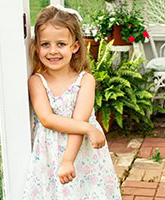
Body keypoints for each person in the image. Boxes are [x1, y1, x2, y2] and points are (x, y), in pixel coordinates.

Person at [23, 5, 122, 200]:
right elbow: (47, 119)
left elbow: (78, 122)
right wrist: (88, 128)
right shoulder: (37, 81)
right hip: (50, 156)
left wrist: (68, 160)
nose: (53, 51)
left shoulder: (85, 80)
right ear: (36, 46)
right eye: (45, 44)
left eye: (61, 44)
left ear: (75, 46)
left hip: (81, 154)